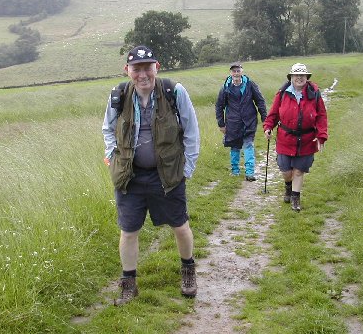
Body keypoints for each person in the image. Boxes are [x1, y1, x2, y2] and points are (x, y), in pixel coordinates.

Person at [102, 45, 200, 306]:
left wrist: (187, 169)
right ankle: (128, 284)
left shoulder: (174, 92)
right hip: (130, 177)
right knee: (128, 230)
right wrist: (113, 157)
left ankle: (188, 271)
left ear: (157, 67)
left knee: (180, 225)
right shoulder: (118, 95)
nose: (142, 74)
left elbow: (191, 132)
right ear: (127, 70)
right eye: (137, 69)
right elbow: (108, 129)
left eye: (148, 67)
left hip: (167, 174)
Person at [263, 63, 328, 212]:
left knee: (299, 171)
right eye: (296, 75)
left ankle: (295, 198)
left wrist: (321, 136)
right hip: (285, 138)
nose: (299, 78)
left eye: (302, 75)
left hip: (306, 139)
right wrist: (268, 127)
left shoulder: (314, 94)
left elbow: (322, 116)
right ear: (291, 77)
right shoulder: (282, 93)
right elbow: (273, 114)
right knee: (286, 172)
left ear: (307, 77)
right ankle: (288, 186)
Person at [215, 62, 267, 181]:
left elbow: (260, 101)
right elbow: (219, 106)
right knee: (235, 146)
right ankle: (235, 171)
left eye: (238, 71)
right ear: (230, 73)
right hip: (232, 123)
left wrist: (265, 119)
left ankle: (249, 173)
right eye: (234, 71)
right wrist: (221, 124)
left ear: (242, 71)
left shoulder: (250, 85)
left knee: (248, 145)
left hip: (249, 121)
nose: (236, 73)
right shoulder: (225, 88)